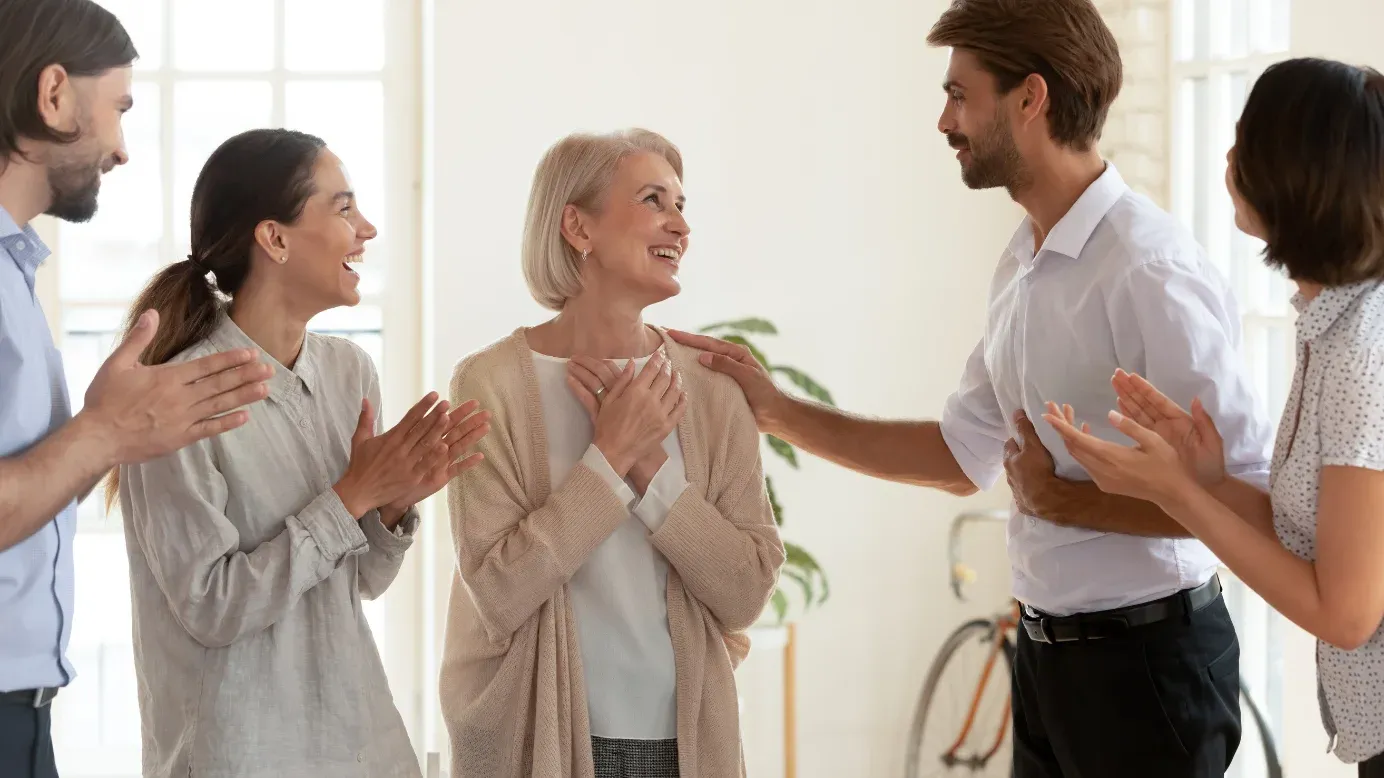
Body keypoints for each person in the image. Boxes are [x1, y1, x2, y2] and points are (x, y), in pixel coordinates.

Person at [672, 1, 1276, 775]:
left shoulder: (1147, 269)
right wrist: (775, 410)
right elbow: (962, 455)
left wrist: (1068, 502)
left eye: (960, 94)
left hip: (1148, 667)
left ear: (1031, 99)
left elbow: (1246, 502)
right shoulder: (1025, 261)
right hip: (1050, 662)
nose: (943, 120)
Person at [111, 128, 490, 778]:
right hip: (241, 756)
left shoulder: (349, 373)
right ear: (275, 238)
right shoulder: (176, 394)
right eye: (343, 208)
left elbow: (360, 582)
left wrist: (391, 506)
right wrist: (352, 497)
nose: (366, 229)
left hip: (361, 745)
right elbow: (213, 606)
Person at [1042, 58, 1384, 777]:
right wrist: (1211, 480)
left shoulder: (1361, 349)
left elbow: (1348, 615)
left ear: (1299, 172)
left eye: (1247, 140)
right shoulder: (1330, 323)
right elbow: (1325, 540)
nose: (1228, 157)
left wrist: (1180, 496)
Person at [438, 128, 785, 778]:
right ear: (577, 226)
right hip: (533, 738)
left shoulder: (712, 386)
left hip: (685, 747)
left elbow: (745, 591)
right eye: (655, 199)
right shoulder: (492, 383)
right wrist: (608, 456)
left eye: (683, 206)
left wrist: (649, 468)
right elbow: (498, 591)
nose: (680, 226)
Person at [0, 2, 271, 775]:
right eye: (117, 108)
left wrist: (113, 431)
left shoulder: (17, 274)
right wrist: (106, 432)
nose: (121, 150)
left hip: (26, 711)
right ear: (53, 96)